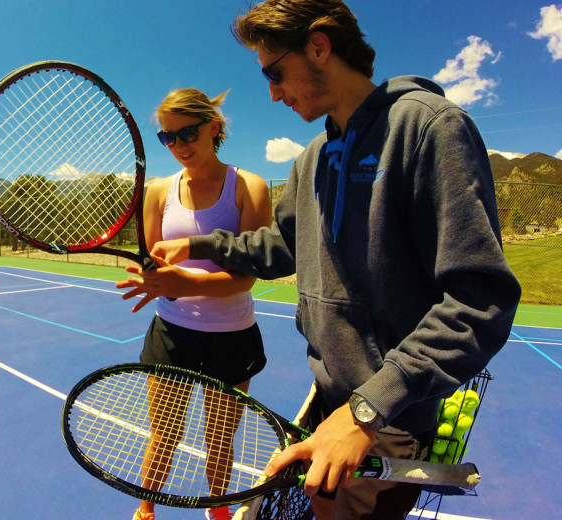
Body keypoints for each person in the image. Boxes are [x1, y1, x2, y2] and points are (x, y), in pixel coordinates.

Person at [118, 2, 521, 519]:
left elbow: (479, 301)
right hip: (331, 403)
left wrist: (366, 411)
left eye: (274, 72)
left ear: (318, 46)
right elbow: (282, 246)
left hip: (388, 420)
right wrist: (199, 245)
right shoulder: (311, 159)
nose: (272, 92)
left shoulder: (430, 128)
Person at [120, 88, 272, 520]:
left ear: (214, 127)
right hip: (172, 333)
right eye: (167, 138)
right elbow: (157, 267)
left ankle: (216, 510)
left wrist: (182, 282)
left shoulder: (249, 187)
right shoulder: (157, 192)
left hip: (232, 336)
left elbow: (247, 277)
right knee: (163, 434)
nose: (179, 145)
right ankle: (146, 509)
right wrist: (156, 282)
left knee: (220, 438)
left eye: (188, 133)